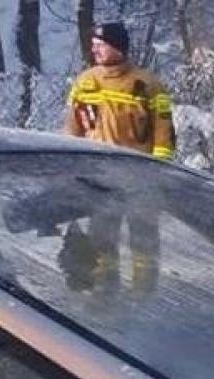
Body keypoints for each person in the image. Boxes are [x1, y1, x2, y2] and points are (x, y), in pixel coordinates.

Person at [64, 22, 172, 293]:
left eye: (101, 45)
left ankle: (143, 295)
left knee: (144, 242)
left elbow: (164, 135)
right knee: (101, 239)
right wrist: (70, 168)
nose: (95, 50)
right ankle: (104, 294)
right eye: (93, 45)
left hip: (139, 179)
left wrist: (156, 173)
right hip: (99, 179)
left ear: (118, 47)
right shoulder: (85, 82)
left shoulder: (148, 85)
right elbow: (72, 131)